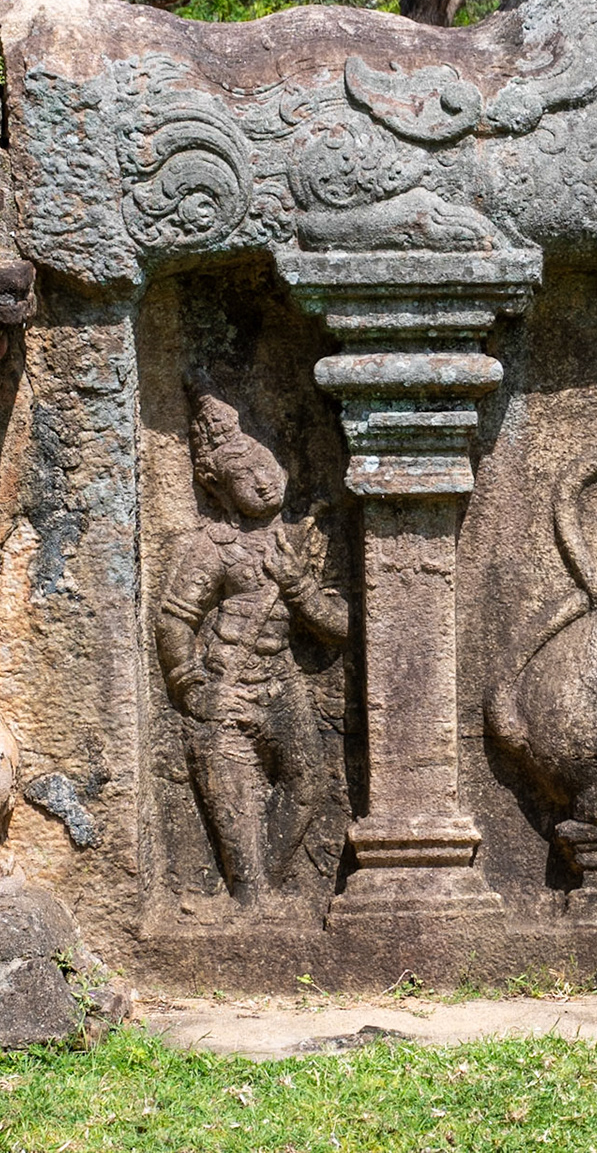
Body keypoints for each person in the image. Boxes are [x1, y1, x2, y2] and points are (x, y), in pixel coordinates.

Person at [155, 371, 349, 904]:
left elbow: (342, 627)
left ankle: (272, 885)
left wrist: (299, 586)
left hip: (282, 684)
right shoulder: (215, 545)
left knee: (306, 787)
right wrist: (190, 684)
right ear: (218, 488)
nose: (263, 482)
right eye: (245, 476)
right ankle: (250, 894)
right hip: (227, 682)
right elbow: (176, 617)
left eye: (267, 466)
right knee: (233, 803)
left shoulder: (307, 542)